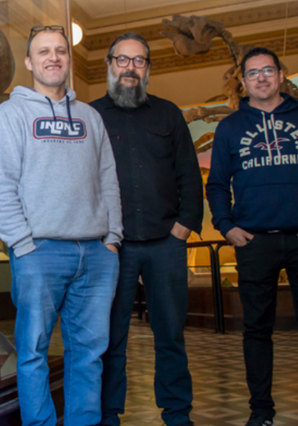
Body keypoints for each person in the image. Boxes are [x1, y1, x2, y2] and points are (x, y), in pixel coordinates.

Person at [0, 25, 123, 426]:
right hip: (39, 253)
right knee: (32, 353)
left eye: (60, 50)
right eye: (43, 51)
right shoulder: (11, 113)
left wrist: (112, 239)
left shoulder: (90, 117)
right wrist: (23, 244)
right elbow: (0, 183)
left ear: (68, 59)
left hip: (97, 255)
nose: (53, 57)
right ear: (29, 62)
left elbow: (108, 179)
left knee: (89, 355)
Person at [206, 47, 298, 426]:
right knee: (255, 331)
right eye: (253, 73)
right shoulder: (230, 128)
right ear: (243, 82)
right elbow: (217, 184)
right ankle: (261, 414)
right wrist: (226, 226)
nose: (262, 78)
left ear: (281, 75)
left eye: (268, 70)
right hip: (254, 243)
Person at [89, 32, 203, 426]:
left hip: (165, 244)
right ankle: (108, 415)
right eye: (123, 60)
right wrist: (99, 236)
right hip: (111, 248)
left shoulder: (169, 114)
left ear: (148, 69)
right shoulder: (91, 116)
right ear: (109, 65)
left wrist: (183, 228)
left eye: (139, 61)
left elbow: (189, 174)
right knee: (110, 337)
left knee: (170, 335)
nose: (130, 68)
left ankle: (176, 413)